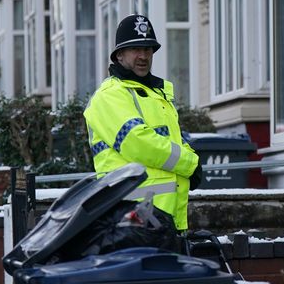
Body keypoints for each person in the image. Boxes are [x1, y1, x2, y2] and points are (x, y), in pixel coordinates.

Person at [83, 14, 201, 231]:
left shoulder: (156, 95)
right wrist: (190, 164)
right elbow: (137, 142)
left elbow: (173, 140)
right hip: (131, 218)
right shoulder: (110, 95)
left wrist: (190, 159)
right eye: (135, 49)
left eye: (147, 49)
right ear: (119, 55)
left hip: (162, 219)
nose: (143, 55)